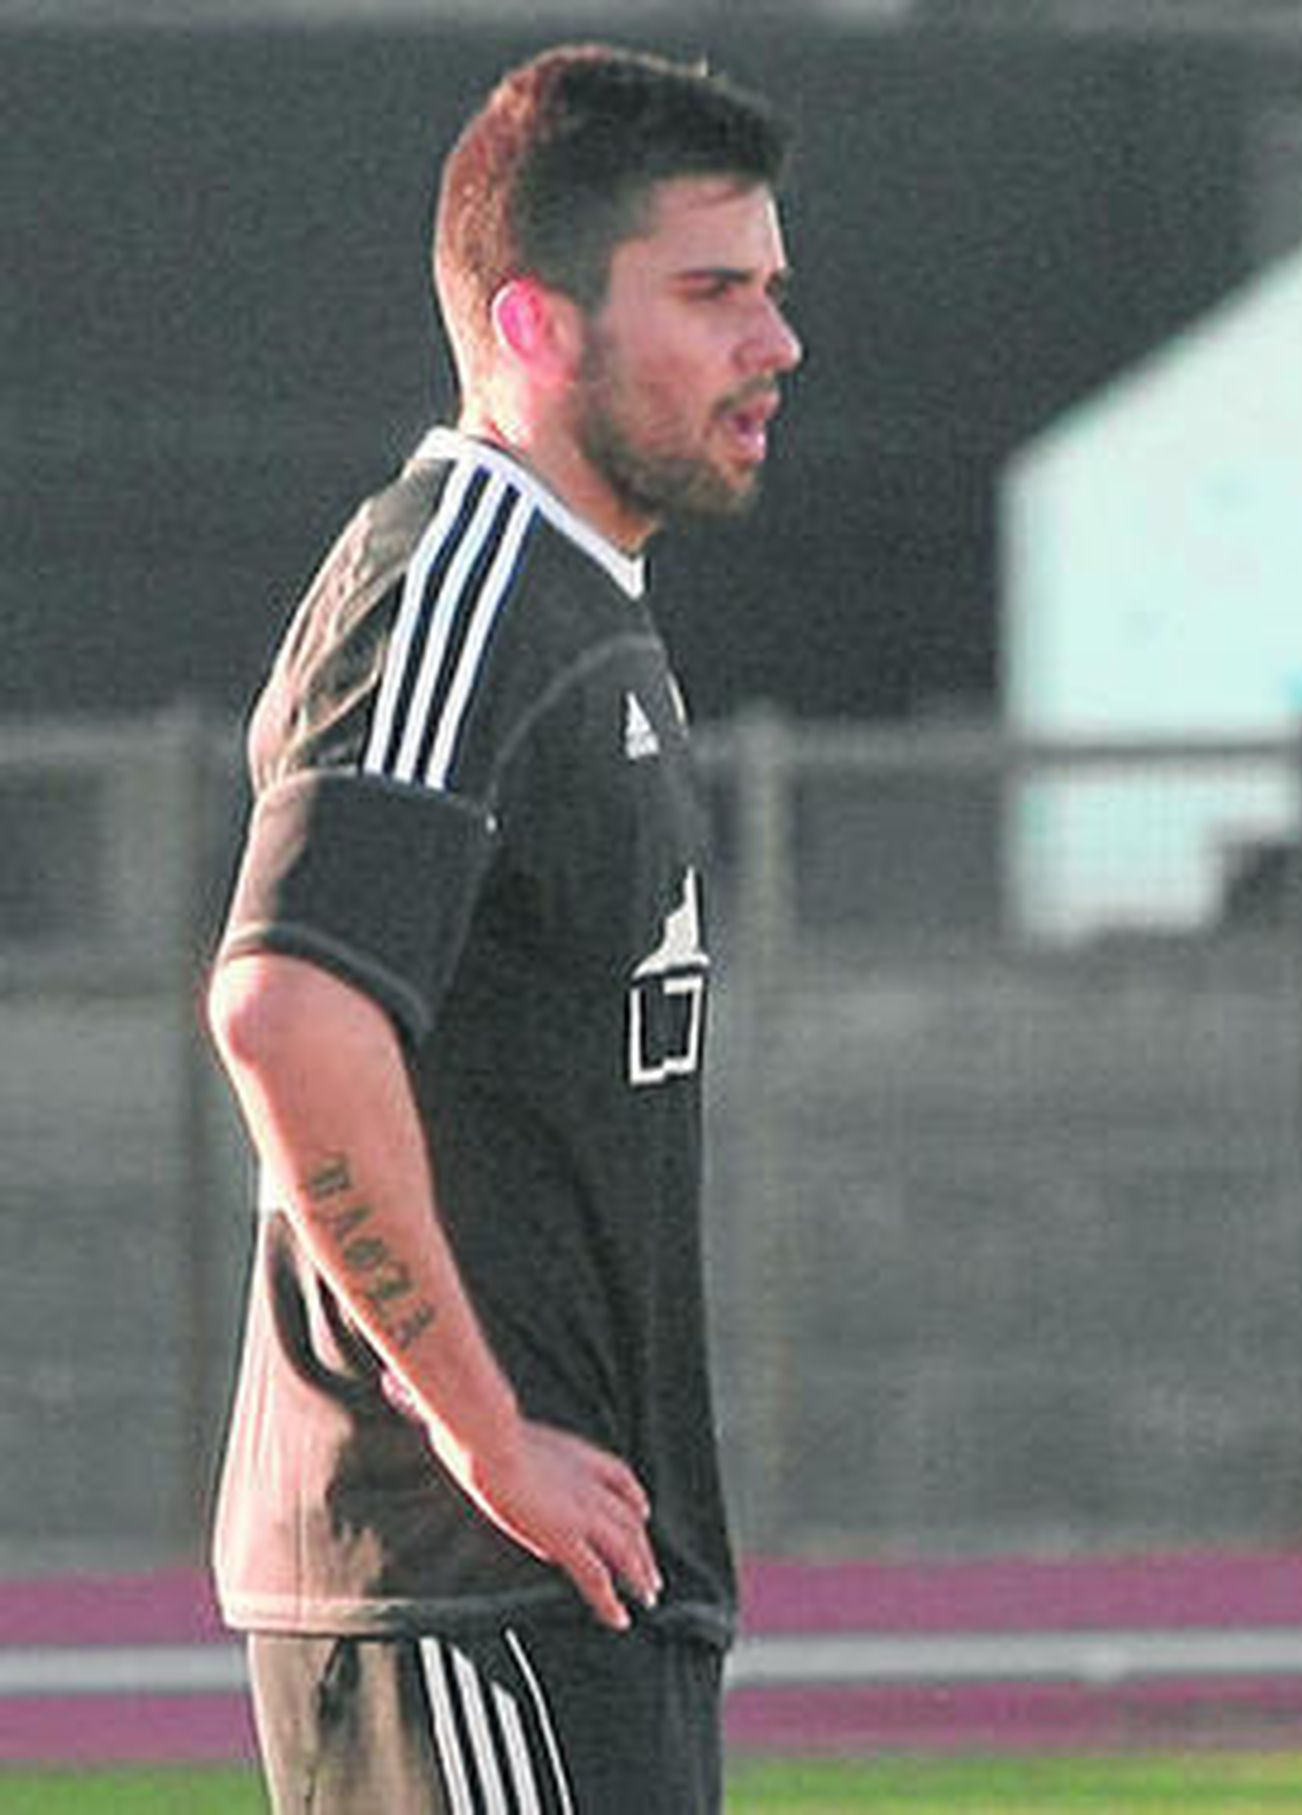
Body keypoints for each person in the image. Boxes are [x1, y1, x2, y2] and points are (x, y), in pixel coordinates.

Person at [204, 43, 802, 1814]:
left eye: (771, 293)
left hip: (570, 1590)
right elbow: (289, 1010)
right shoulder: (456, 582)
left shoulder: (574, 601)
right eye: (712, 295)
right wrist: (479, 1433)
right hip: (460, 1589)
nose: (773, 344)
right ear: (535, 327)